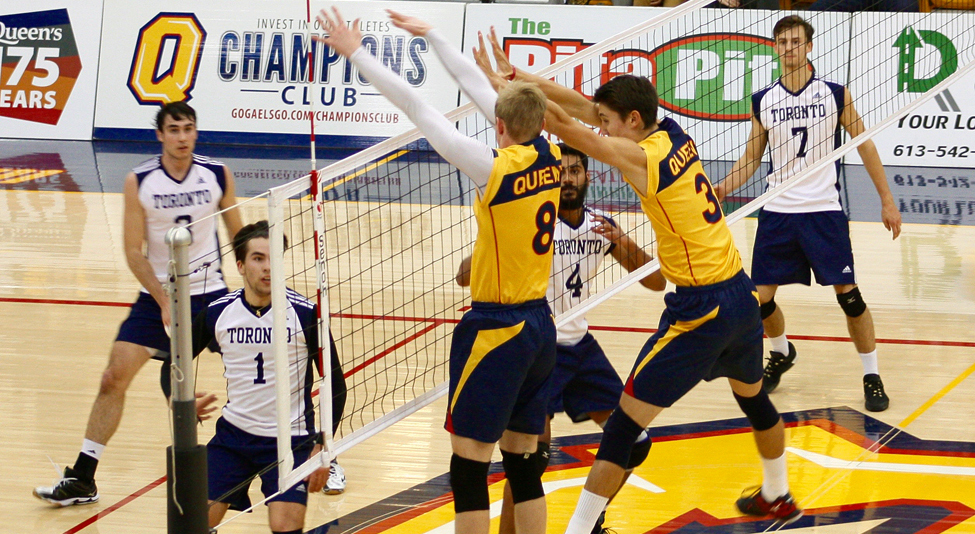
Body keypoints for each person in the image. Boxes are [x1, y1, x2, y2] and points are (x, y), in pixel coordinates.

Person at [475, 28, 801, 533]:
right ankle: (778, 494)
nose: (601, 128)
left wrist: (506, 92)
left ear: (631, 120)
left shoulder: (642, 158)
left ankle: (579, 530)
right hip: (740, 293)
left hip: (703, 310)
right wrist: (519, 76)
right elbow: (581, 108)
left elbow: (565, 125)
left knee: (624, 427)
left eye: (609, 123)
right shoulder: (670, 131)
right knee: (754, 398)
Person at [315, 8, 561, 534]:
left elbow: (418, 107)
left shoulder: (494, 167)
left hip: (497, 329)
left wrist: (356, 52)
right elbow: (484, 93)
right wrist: (433, 36)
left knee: (469, 470)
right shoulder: (552, 154)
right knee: (523, 465)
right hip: (541, 326)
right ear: (540, 123)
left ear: (499, 126)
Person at [34, 101, 243, 506]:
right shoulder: (140, 181)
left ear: (196, 132)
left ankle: (310, 451)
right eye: (174, 130)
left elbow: (239, 238)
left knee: (265, 361)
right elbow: (134, 252)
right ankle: (83, 478)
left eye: (188, 129)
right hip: (158, 296)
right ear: (160, 135)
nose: (182, 137)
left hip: (211, 294)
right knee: (113, 377)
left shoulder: (217, 174)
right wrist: (163, 299)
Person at [457, 142, 666, 534]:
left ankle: (589, 521)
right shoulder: (531, 222)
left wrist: (622, 241)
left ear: (587, 176)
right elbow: (463, 277)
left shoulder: (601, 227)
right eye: (561, 172)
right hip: (539, 348)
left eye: (575, 171)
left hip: (581, 348)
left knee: (635, 442)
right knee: (528, 460)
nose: (567, 179)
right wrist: (495, 240)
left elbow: (656, 282)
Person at [714, 15, 902, 412]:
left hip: (823, 210)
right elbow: (751, 158)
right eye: (782, 42)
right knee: (758, 300)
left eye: (795, 41)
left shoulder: (834, 94)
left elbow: (865, 145)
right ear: (775, 47)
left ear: (809, 46)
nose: (789, 48)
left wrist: (886, 200)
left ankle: (872, 375)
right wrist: (724, 188)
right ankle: (782, 352)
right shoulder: (764, 100)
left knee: (850, 298)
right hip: (778, 211)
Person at [171, 221, 344, 532]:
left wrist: (323, 448)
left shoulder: (306, 314)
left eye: (274, 258)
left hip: (290, 442)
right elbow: (172, 365)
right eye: (258, 258)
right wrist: (178, 400)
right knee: (194, 525)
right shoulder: (218, 313)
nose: (267, 267)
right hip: (233, 438)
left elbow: (336, 385)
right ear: (240, 265)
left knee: (284, 524)